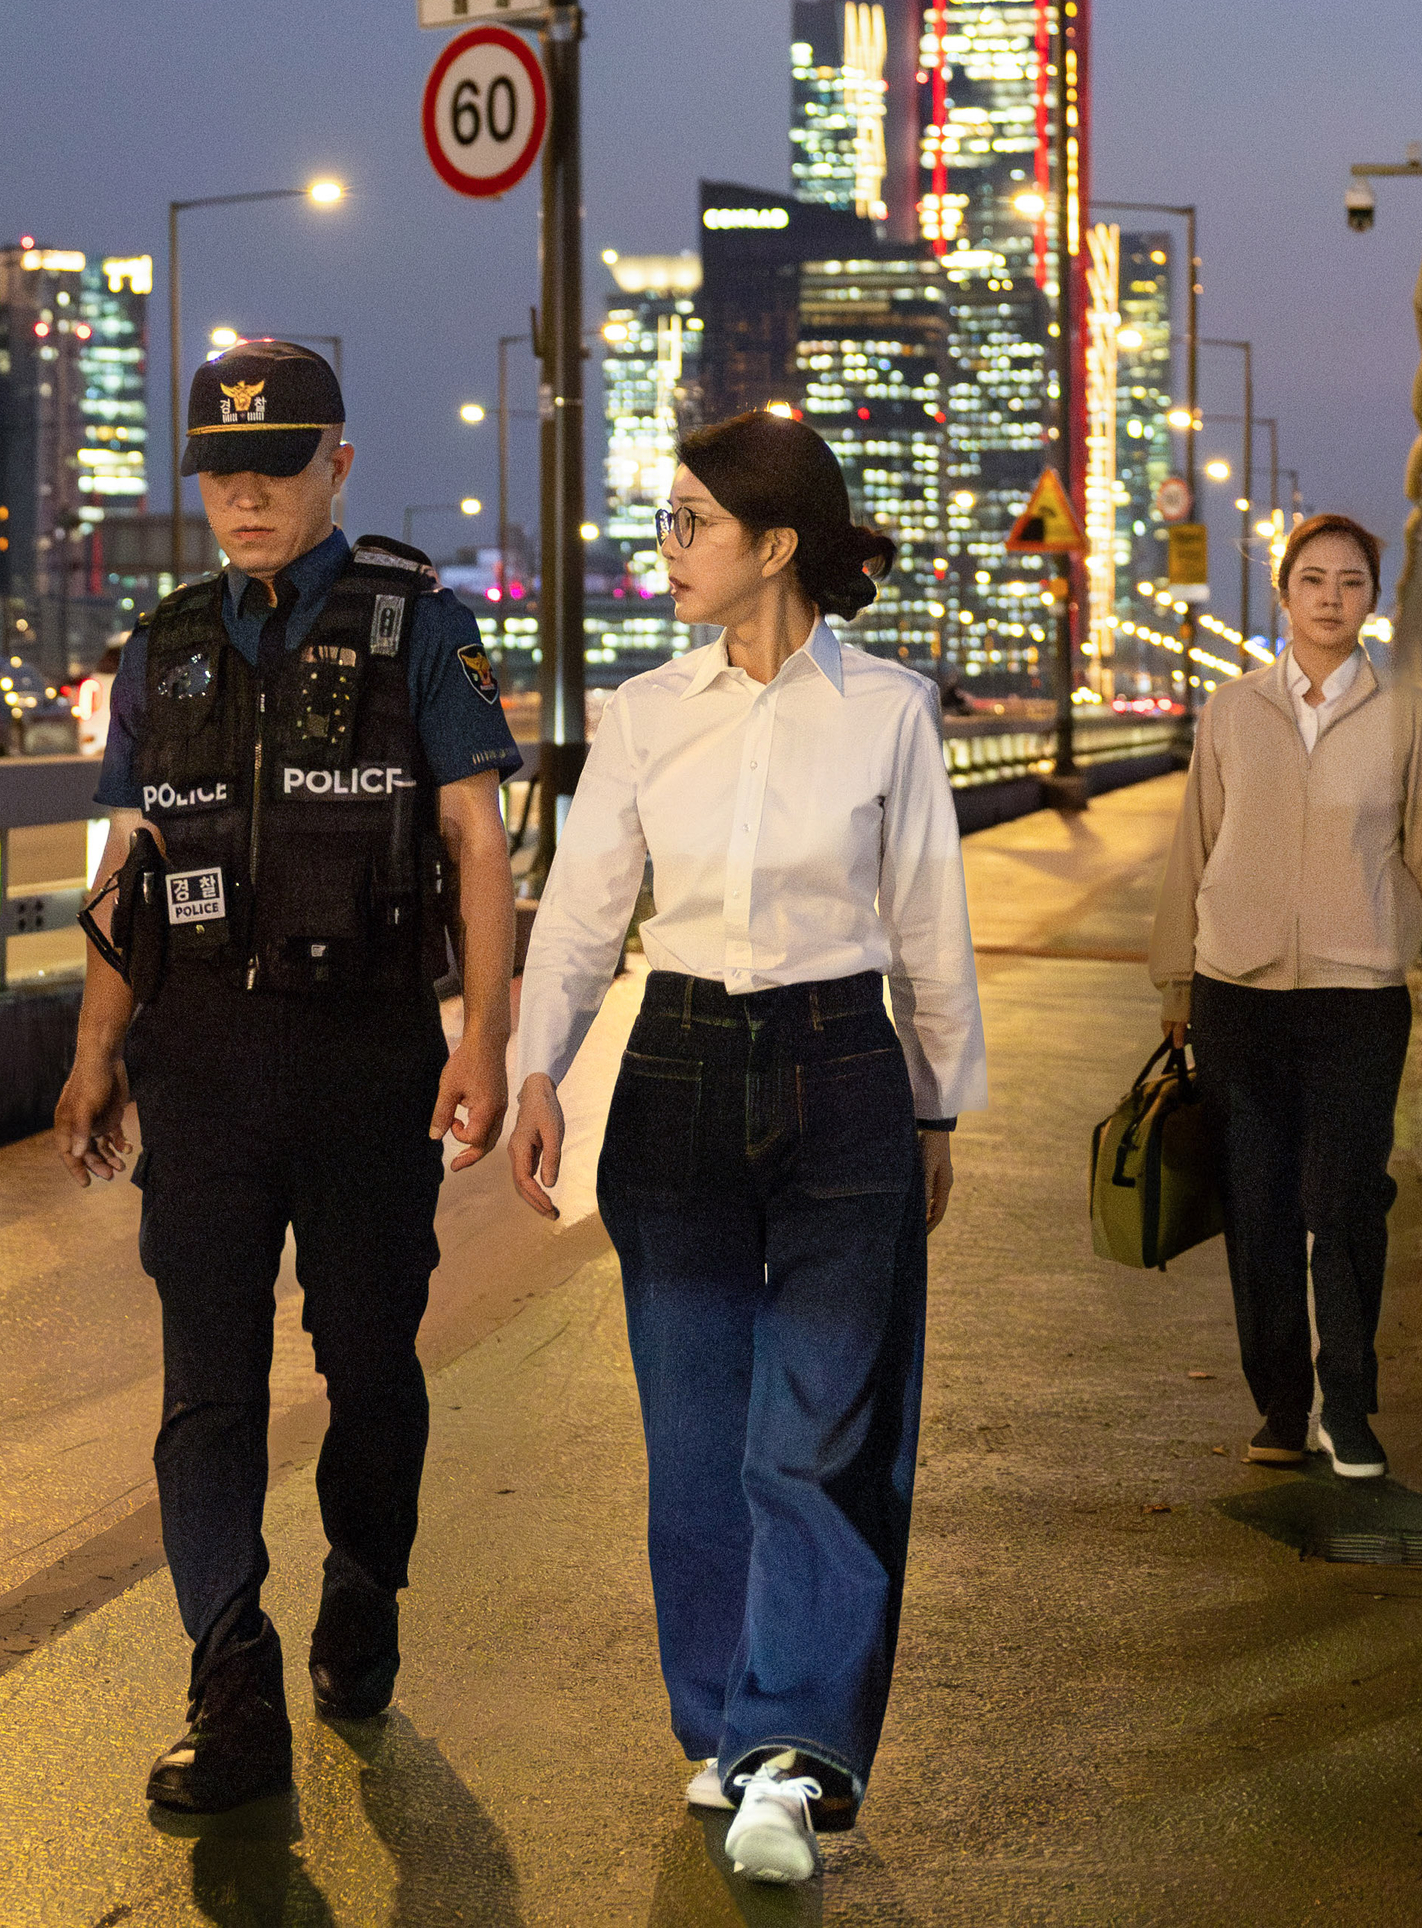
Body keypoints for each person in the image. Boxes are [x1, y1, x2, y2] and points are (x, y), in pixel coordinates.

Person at [502, 409, 983, 1887]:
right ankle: (719, 1723)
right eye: (666, 519)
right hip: (680, 1070)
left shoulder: (888, 708)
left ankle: (793, 1754)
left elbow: (925, 921)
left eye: (692, 522)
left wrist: (936, 1101)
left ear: (777, 546)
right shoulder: (648, 714)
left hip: (846, 1071)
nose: (670, 546)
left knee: (823, 1423)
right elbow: (584, 913)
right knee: (698, 1428)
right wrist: (538, 1072)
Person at [52, 338, 524, 1816]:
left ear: (339, 465)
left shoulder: (416, 631)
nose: (246, 494)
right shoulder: (165, 646)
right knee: (208, 1379)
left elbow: (476, 845)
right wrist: (94, 1048)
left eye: (277, 465)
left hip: (367, 1050)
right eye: (221, 472)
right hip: (200, 1057)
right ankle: (229, 1674)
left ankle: (366, 1575)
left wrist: (489, 1039)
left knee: (372, 1358)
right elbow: (132, 861)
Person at [1150, 511, 1422, 1484]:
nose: (1331, 597)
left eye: (1351, 582)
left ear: (1371, 600)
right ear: (1284, 594)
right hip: (1235, 993)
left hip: (1355, 996)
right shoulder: (1231, 708)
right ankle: (1282, 1404)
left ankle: (1351, 1402)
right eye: (1313, 580)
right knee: (1256, 1203)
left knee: (1342, 1200)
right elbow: (1192, 844)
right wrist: (1177, 976)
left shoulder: (1404, 714)